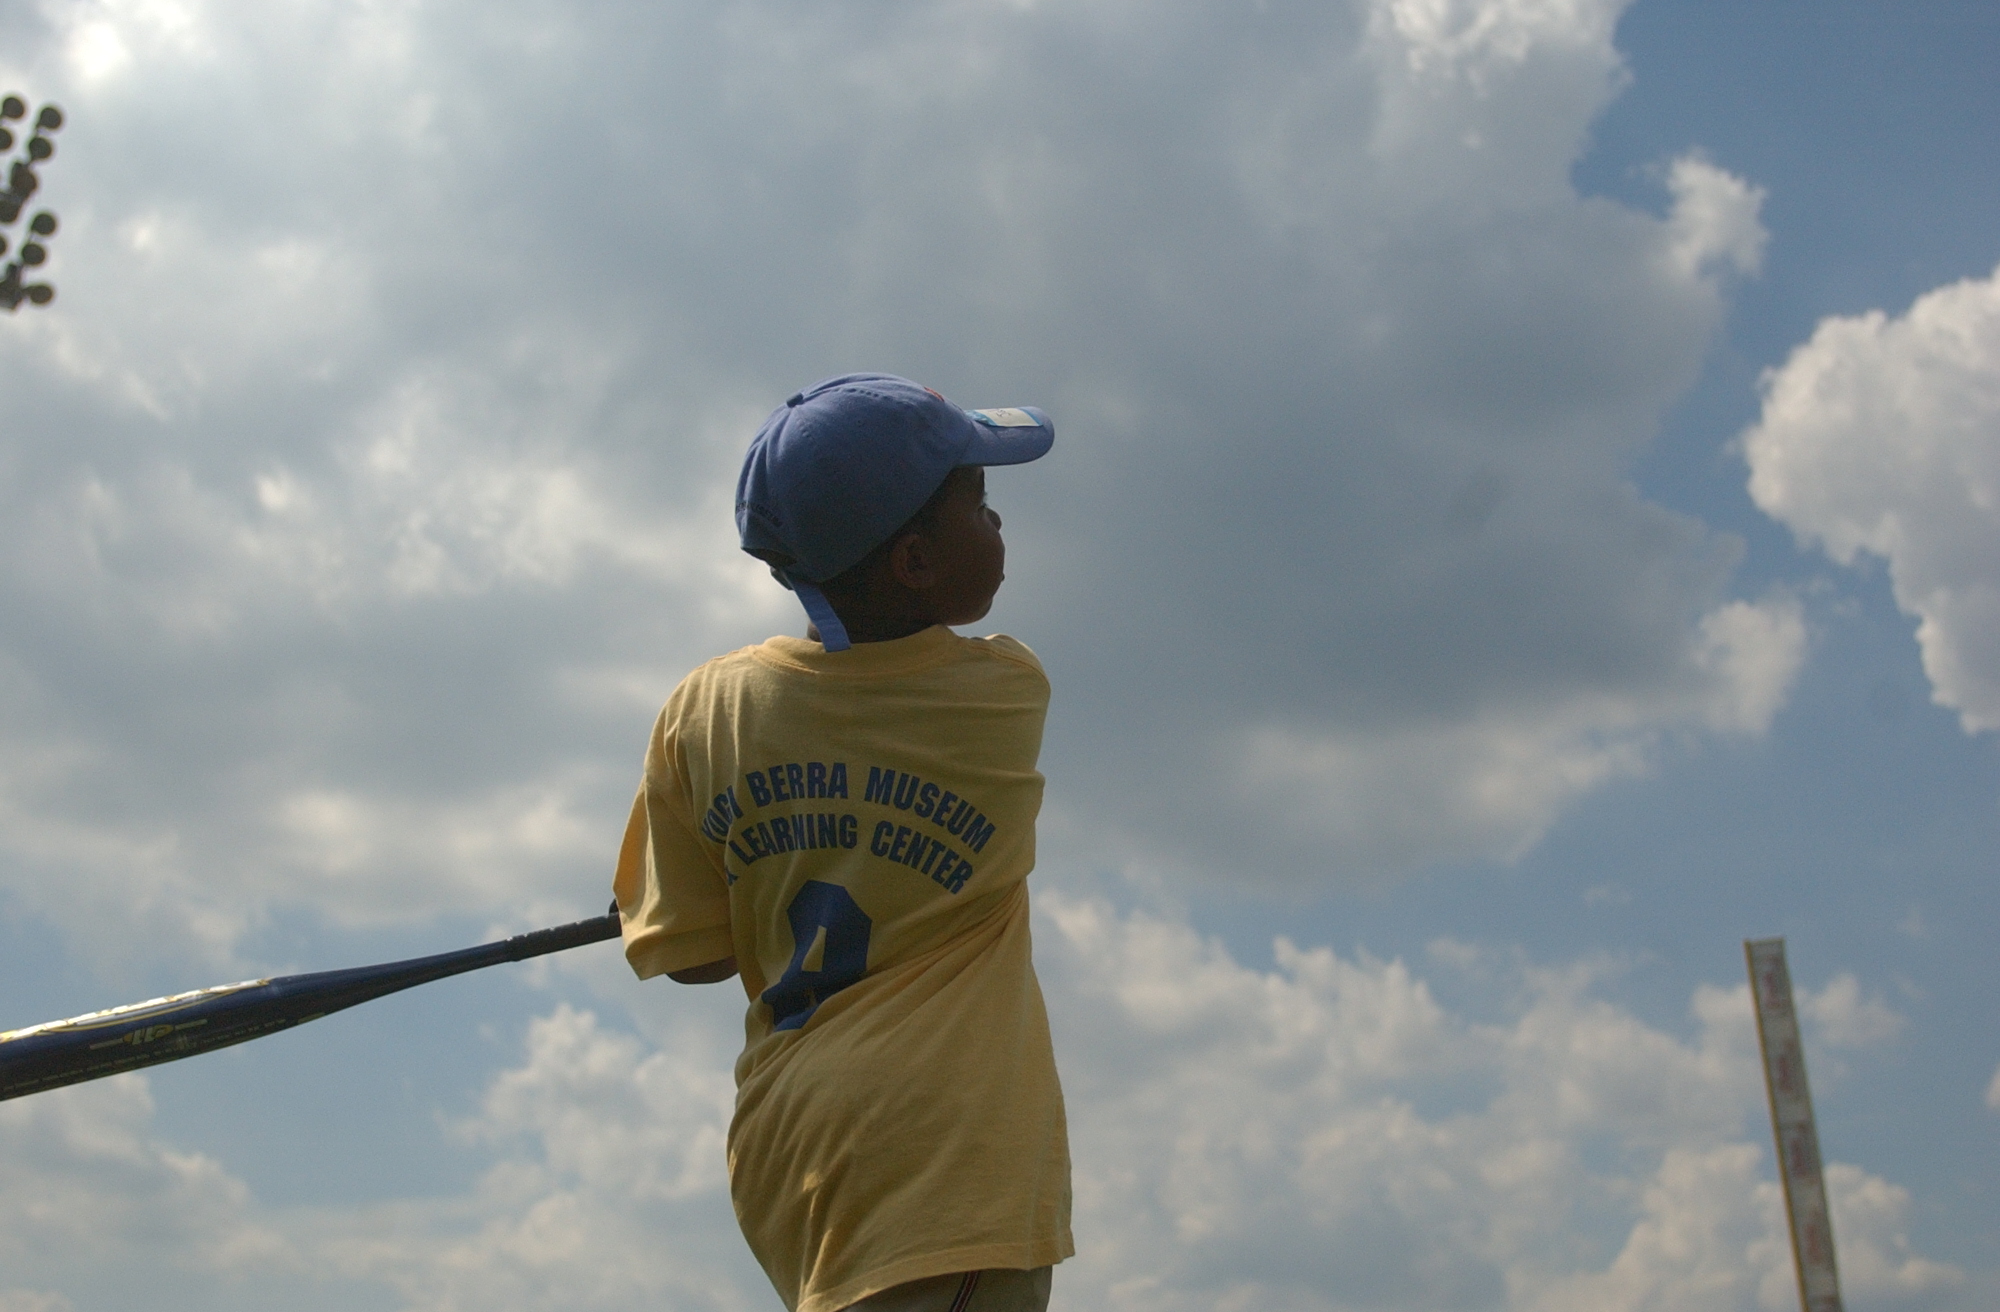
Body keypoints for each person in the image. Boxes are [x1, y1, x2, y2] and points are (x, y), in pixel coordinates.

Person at [613, 374, 1073, 1312]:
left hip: (789, 1145)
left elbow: (695, 957)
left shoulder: (703, 712)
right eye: (978, 508)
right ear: (914, 563)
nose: (998, 529)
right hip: (938, 1161)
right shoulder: (1004, 693)